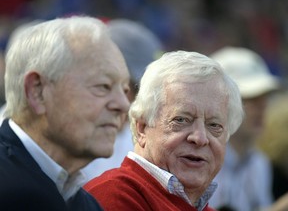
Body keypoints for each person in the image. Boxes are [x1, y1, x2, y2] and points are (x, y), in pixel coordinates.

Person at [84, 50, 244, 211]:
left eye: (214, 125)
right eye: (181, 120)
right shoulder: (114, 196)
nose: (200, 138)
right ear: (142, 128)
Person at [0, 15, 130, 210]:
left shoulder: (87, 204)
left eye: (125, 90)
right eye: (103, 86)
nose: (123, 105)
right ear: (37, 91)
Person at [82, 18, 163, 181]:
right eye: (126, 85)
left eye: (141, 89)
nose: (125, 101)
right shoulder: (68, 137)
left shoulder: (146, 144)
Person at [209, 46, 279, 211]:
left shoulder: (260, 164)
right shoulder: (197, 161)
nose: (261, 107)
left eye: (264, 97)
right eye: (250, 97)